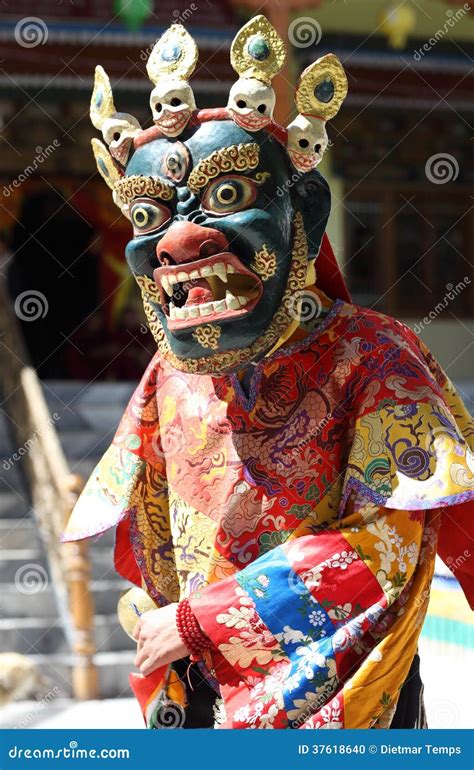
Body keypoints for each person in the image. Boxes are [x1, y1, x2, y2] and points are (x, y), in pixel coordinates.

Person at [63, 17, 473, 729]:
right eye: (149, 214)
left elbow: (389, 546)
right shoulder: (169, 375)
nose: (179, 241)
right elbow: (157, 537)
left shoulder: (371, 355)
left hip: (335, 704)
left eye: (226, 198)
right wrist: (170, 631)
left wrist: (203, 619)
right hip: (201, 696)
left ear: (304, 218)